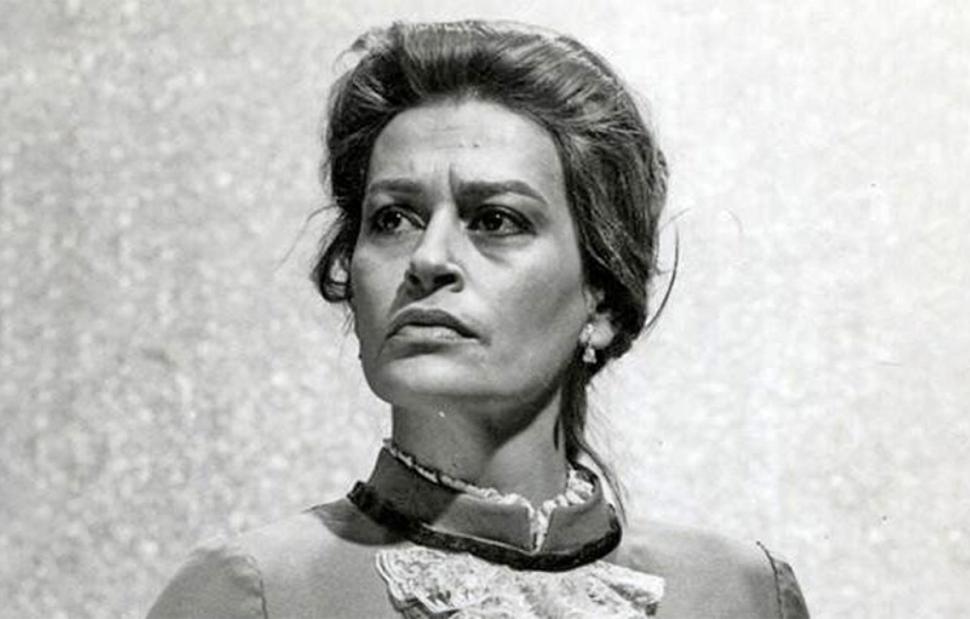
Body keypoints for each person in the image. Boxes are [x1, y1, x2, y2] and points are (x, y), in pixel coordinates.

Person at [147, 19, 809, 618]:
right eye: (393, 218)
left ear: (602, 301)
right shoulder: (256, 593)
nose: (428, 259)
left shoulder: (743, 595)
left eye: (495, 220)